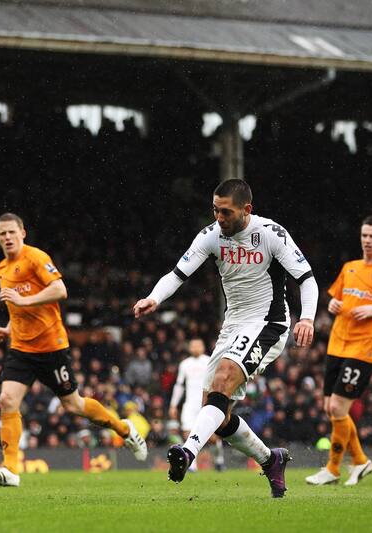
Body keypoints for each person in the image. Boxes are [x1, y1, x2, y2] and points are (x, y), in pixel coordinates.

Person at [133, 179, 318, 498]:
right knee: (217, 415)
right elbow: (177, 274)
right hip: (232, 326)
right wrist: (154, 298)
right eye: (215, 210)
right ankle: (270, 460)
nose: (219, 217)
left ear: (247, 209)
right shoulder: (211, 236)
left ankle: (188, 452)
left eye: (226, 212)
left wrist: (308, 318)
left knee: (223, 379)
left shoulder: (270, 234)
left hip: (268, 323)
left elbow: (307, 279)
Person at [0, 213, 147, 488]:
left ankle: (124, 429)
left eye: (11, 232)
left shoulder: (35, 258)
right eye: (2, 233)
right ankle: (10, 469)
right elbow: (16, 307)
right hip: (21, 348)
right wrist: (9, 328)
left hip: (51, 346)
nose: (7, 237)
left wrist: (23, 300)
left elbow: (59, 289)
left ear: (23, 233)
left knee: (74, 405)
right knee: (7, 400)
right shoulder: (1, 269)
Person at [306, 215, 372, 487]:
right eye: (364, 235)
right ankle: (361, 461)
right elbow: (336, 299)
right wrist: (332, 305)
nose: (367, 240)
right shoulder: (350, 268)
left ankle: (333, 469)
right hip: (337, 343)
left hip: (362, 349)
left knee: (337, 407)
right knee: (331, 408)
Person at [169, 338, 224, 472]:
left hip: (207, 402)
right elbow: (179, 385)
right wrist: (173, 405)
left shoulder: (209, 361)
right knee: (187, 433)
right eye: (193, 346)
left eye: (198, 346)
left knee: (212, 437)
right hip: (190, 404)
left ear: (203, 347)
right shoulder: (184, 364)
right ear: (189, 348)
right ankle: (192, 465)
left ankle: (219, 460)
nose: (195, 348)